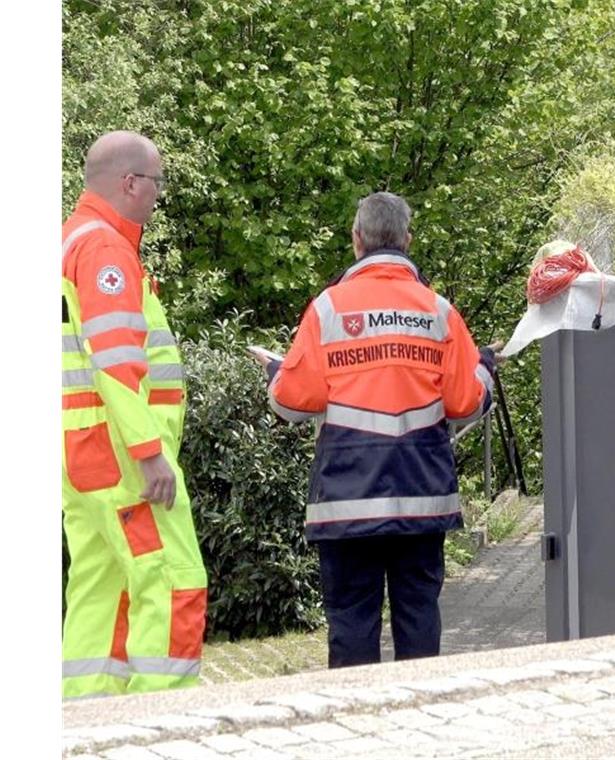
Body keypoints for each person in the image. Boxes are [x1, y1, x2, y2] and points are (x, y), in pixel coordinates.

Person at [254, 191, 496, 667]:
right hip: (421, 501)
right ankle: (418, 720)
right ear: (406, 240)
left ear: (356, 240)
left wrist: (275, 372)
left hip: (347, 503)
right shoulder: (438, 312)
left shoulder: (328, 310)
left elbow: (290, 400)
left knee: (350, 626)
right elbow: (465, 403)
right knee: (419, 621)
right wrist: (485, 368)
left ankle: (355, 726)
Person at [62, 131, 208, 698]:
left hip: (83, 456)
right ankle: (161, 723)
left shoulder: (69, 240)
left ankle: (85, 726)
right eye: (156, 182)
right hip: (123, 456)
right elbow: (117, 360)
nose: (158, 194)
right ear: (129, 183)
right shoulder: (104, 250)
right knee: (173, 580)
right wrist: (150, 454)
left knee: (102, 591)